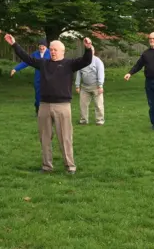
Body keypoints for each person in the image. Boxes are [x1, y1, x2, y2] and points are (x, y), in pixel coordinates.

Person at [5, 34, 93, 174]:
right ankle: (47, 166)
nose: (52, 51)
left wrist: (88, 48)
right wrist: (14, 44)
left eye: (55, 50)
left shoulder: (69, 64)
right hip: (44, 105)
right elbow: (27, 58)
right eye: (51, 49)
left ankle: (70, 167)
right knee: (45, 138)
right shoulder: (43, 64)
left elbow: (86, 60)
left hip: (62, 106)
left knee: (65, 138)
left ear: (62, 51)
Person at [10, 39, 51, 115]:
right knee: (38, 94)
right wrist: (15, 69)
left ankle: (48, 111)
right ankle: (38, 109)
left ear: (46, 46)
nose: (41, 48)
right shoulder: (35, 54)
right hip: (38, 77)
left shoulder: (51, 53)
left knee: (49, 94)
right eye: (40, 47)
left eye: (43, 47)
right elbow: (26, 62)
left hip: (48, 78)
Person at [75, 46, 105, 125]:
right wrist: (77, 85)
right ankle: (83, 120)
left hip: (96, 86)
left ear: (94, 51)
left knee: (99, 105)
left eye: (92, 50)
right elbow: (78, 73)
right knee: (83, 105)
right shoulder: (82, 61)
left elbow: (101, 73)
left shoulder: (98, 61)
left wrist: (100, 85)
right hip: (84, 87)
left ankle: (100, 120)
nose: (90, 52)